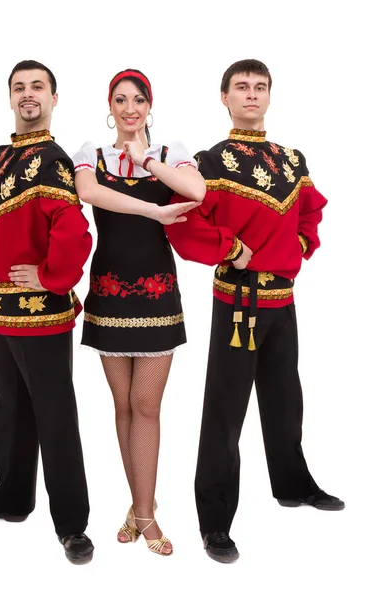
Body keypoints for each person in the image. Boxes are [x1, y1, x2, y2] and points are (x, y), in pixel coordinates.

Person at [165, 59, 344, 563]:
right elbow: (182, 225)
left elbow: (310, 209)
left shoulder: (292, 159)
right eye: (241, 87)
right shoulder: (211, 161)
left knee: (286, 399)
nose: (251, 94)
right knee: (225, 411)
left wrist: (302, 244)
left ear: (269, 96)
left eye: (259, 87)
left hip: (282, 300)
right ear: (224, 97)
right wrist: (229, 248)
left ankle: (293, 485)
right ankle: (215, 521)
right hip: (237, 302)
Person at [0, 60, 94, 565]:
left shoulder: (55, 160)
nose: (27, 94)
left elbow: (74, 229)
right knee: (10, 406)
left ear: (54, 98)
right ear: (10, 98)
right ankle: (12, 498)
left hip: (43, 313)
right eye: (19, 88)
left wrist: (50, 274)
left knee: (55, 415)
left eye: (37, 86)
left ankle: (72, 525)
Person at [72, 68, 205, 556]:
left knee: (147, 407)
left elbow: (197, 192)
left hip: (156, 294)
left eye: (139, 100)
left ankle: (145, 515)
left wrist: (146, 160)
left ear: (150, 106)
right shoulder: (91, 154)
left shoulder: (169, 154)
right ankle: (137, 505)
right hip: (108, 292)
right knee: (123, 406)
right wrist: (153, 210)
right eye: (121, 100)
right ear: (111, 106)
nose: (130, 108)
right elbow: (89, 193)